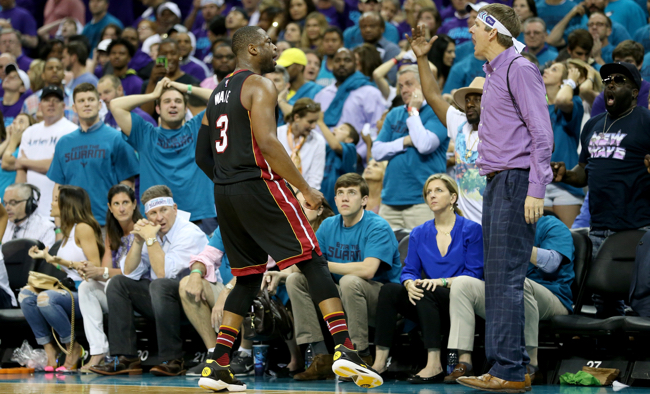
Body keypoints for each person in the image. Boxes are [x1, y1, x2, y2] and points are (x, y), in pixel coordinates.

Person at [194, 26, 384, 391]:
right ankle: (346, 350)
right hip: (258, 186)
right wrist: (305, 188)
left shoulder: (216, 93)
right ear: (251, 48)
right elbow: (267, 142)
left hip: (226, 194)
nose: (274, 45)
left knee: (248, 278)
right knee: (312, 259)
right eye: (267, 42)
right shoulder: (260, 85)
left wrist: (228, 179)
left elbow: (202, 155)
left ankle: (216, 365)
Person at [454, 4, 553, 392]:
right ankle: (508, 366)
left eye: (476, 26)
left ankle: (509, 370)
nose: (471, 32)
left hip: (516, 181)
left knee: (506, 279)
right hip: (497, 181)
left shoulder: (520, 69)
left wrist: (536, 189)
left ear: (493, 31)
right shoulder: (493, 73)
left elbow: (542, 133)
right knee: (496, 278)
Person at [553, 62, 650, 318]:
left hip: (636, 227)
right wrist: (565, 175)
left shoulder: (645, 120)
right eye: (607, 80)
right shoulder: (593, 125)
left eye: (619, 80)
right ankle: (609, 355)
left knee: (640, 297)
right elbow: (584, 170)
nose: (611, 84)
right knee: (603, 300)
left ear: (634, 92)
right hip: (599, 226)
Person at [287, 173, 401, 381]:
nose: (345, 198)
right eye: (340, 193)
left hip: (381, 301)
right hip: (343, 296)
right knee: (295, 280)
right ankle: (321, 356)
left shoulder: (377, 226)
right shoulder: (329, 225)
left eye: (351, 193)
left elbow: (368, 270)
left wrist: (321, 265)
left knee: (350, 281)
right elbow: (302, 266)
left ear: (364, 200)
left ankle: (359, 355)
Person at [372, 173, 483, 382]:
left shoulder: (472, 230)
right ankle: (379, 363)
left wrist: (440, 282)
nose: (432, 195)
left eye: (438, 191)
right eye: (428, 192)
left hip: (460, 298)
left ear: (452, 198)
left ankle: (434, 364)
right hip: (428, 297)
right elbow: (409, 269)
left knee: (426, 290)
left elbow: (474, 274)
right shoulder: (418, 233)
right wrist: (408, 282)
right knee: (389, 290)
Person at [90, 185, 208, 376]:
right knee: (118, 283)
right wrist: (138, 240)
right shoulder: (153, 232)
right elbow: (128, 272)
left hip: (196, 302)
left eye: (163, 210)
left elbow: (163, 273)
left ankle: (173, 359)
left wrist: (150, 239)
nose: (159, 217)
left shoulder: (189, 232)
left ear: (175, 208)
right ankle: (126, 357)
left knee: (160, 285)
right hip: (163, 303)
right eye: (153, 213)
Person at [446, 214, 574, 384]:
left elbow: (551, 264)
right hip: (507, 293)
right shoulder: (500, 229)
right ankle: (464, 362)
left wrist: (517, 243)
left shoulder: (551, 225)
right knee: (462, 284)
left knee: (518, 283)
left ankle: (530, 365)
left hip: (553, 297)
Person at [109, 77, 217, 233]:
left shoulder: (197, 128)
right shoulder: (145, 134)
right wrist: (153, 95)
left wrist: (185, 87)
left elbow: (222, 97)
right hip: (157, 219)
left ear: (186, 108)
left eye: (178, 101)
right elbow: (115, 105)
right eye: (166, 101)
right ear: (158, 109)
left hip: (200, 216)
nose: (173, 104)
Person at [20, 185, 103, 372]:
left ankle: (73, 349)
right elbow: (70, 267)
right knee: (26, 296)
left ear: (69, 204)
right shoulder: (67, 232)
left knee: (45, 298)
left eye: (56, 199)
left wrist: (61, 260)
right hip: (71, 289)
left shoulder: (83, 228)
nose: (51, 203)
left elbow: (93, 266)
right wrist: (48, 259)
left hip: (87, 293)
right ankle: (51, 351)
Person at [412, 27, 486, 224]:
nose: (469, 104)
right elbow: (433, 95)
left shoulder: (502, 130)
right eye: (467, 100)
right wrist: (422, 58)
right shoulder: (460, 124)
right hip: (463, 222)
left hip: (494, 220)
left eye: (476, 100)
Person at [47, 83, 139, 227]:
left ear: (100, 104)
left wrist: (122, 225)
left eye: (91, 99)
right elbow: (58, 187)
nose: (86, 104)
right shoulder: (63, 143)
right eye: (81, 101)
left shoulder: (117, 138)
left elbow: (127, 185)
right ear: (74, 108)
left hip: (107, 224)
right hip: (72, 225)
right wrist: (59, 229)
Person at [372, 65, 449, 230]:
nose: (404, 90)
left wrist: (413, 111)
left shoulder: (438, 112)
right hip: (390, 201)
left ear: (424, 86)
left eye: (409, 84)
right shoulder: (394, 113)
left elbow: (424, 145)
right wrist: (405, 141)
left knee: (423, 253)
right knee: (388, 254)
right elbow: (377, 152)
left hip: (424, 201)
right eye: (400, 86)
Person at [76, 184, 142, 372]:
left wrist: (101, 273)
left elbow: (135, 274)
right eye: (116, 204)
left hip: (140, 294)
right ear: (110, 207)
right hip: (116, 295)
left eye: (126, 203)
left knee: (114, 282)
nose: (121, 208)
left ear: (134, 204)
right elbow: (105, 270)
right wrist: (91, 270)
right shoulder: (112, 232)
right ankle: (98, 351)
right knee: (86, 287)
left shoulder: (142, 229)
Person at [16, 85, 77, 219]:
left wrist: (25, 161)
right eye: (46, 100)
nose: (51, 103)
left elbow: (56, 167)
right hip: (30, 211)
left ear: (63, 105)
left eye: (55, 100)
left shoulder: (72, 131)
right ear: (39, 105)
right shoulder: (30, 132)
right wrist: (20, 202)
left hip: (58, 208)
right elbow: (20, 169)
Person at [314, 48, 385, 160]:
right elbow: (315, 127)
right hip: (322, 157)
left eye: (347, 60)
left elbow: (376, 127)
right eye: (337, 60)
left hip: (355, 157)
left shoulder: (370, 93)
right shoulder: (322, 95)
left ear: (356, 64)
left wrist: (360, 154)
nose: (342, 64)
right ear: (332, 64)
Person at [542, 61, 585, 227]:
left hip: (566, 185)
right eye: (547, 68)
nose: (546, 70)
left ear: (563, 81)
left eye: (554, 70)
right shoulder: (536, 108)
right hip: (540, 184)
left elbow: (561, 99)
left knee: (570, 241)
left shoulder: (574, 102)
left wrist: (571, 81)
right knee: (542, 243)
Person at [140, 38, 201, 116]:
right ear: (158, 56)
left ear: (179, 55)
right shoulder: (148, 84)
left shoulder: (192, 83)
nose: (168, 57)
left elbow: (196, 113)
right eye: (164, 54)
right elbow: (145, 115)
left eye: (173, 53)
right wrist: (152, 81)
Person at [277, 98, 326, 190]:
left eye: (315, 122)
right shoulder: (276, 134)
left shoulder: (318, 141)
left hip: (303, 196)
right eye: (310, 122)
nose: (314, 126)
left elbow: (315, 178)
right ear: (297, 118)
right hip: (276, 191)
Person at [591, 41, 649, 117]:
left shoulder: (648, 91)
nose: (622, 66)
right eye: (618, 61)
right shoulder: (604, 97)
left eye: (628, 62)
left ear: (640, 64)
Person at [317, 114, 358, 212]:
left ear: (349, 139)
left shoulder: (351, 149)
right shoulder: (326, 148)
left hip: (336, 203)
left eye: (342, 129)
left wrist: (320, 122)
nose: (335, 129)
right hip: (320, 196)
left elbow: (335, 145)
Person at [276, 48, 323, 126]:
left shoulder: (317, 90)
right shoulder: (281, 90)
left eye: (287, 67)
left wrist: (281, 101)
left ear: (299, 67)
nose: (283, 71)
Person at [22, 58, 77, 124]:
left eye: (58, 68)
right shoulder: (30, 101)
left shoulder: (75, 98)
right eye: (50, 68)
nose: (54, 70)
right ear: (43, 75)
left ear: (63, 75)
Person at [358, 12, 401, 85]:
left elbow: (391, 80)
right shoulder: (357, 50)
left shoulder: (392, 49)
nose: (367, 30)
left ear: (382, 28)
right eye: (364, 26)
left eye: (372, 26)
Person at [0, 114, 36, 193]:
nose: (15, 122)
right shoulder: (9, 147)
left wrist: (13, 141)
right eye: (15, 119)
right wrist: (7, 140)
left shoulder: (25, 150)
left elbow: (5, 163)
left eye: (21, 121)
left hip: (7, 202)